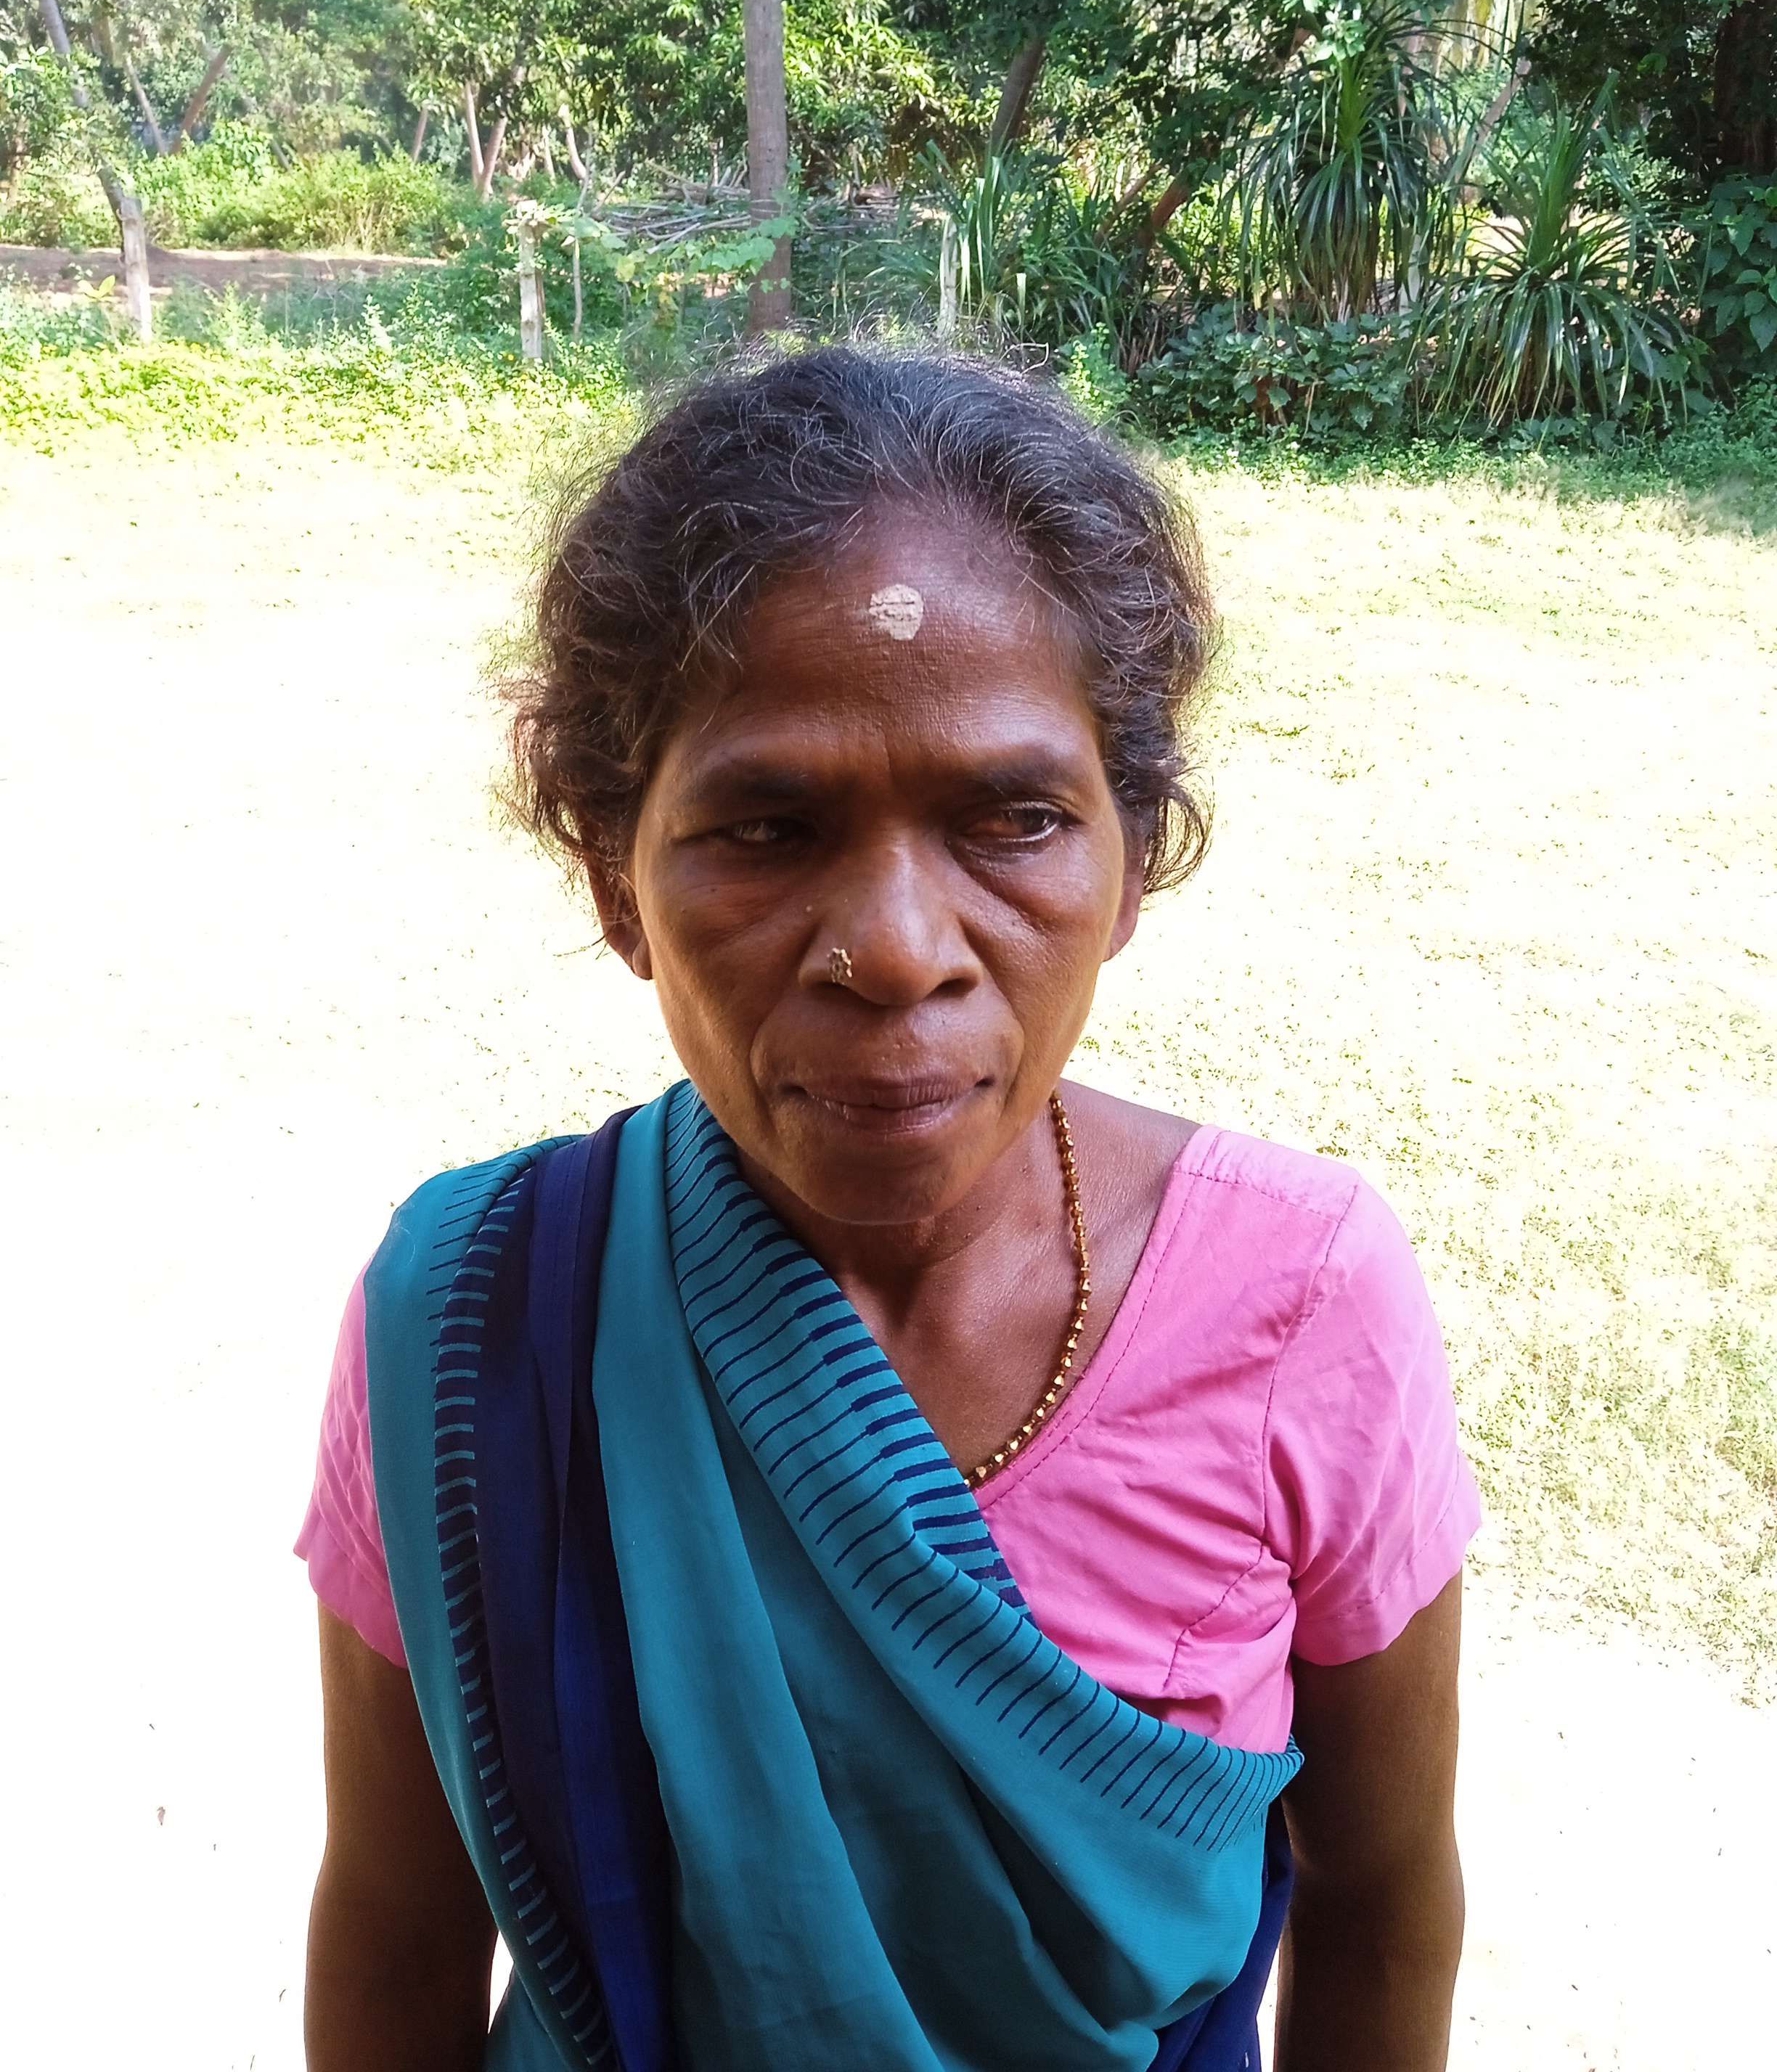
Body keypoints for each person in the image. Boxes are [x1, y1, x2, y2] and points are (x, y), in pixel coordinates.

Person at [298, 345, 1478, 2072]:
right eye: (767, 829)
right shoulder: (478, 1322)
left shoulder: (1301, 1298)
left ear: (1129, 866)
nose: (899, 951)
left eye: (1016, 819)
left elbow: (1383, 1893)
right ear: (616, 878)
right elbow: (399, 1926)